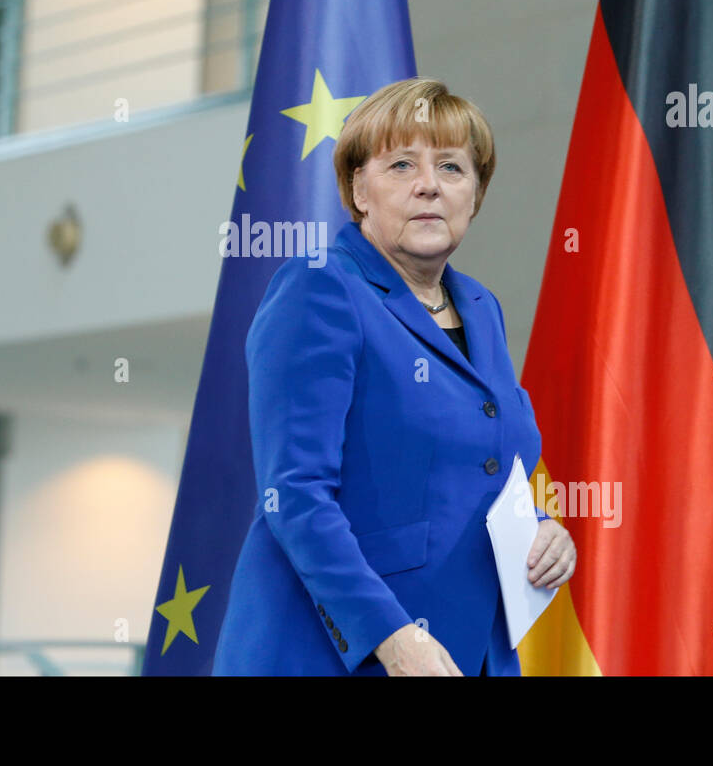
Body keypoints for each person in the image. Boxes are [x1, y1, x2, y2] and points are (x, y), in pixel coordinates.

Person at [213, 78, 577, 676]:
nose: (428, 184)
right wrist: (392, 636)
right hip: (336, 654)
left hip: (470, 651)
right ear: (359, 188)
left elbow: (485, 467)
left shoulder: (481, 309)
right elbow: (296, 496)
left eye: (452, 168)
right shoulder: (320, 288)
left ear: (476, 193)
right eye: (402, 164)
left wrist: (542, 532)